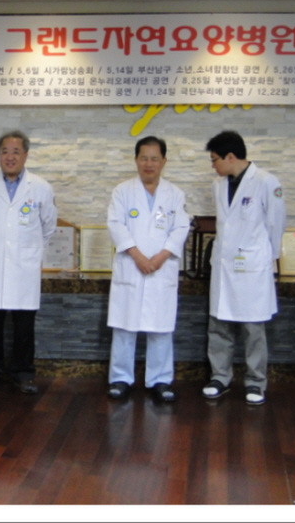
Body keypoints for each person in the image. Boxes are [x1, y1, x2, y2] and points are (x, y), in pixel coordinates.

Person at [201, 130, 286, 406]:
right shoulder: (218, 185)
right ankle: (220, 376)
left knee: (253, 328)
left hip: (252, 268)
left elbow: (276, 223)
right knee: (219, 325)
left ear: (230, 157)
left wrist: (267, 259)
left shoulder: (266, 182)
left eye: (214, 159)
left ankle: (255, 382)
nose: (213, 165)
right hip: (224, 266)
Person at [0, 130, 57, 394]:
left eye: (15, 152)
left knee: (24, 327)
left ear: (25, 155)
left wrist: (30, 248)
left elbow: (48, 226)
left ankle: (24, 374)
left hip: (24, 267)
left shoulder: (40, 187)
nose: (10, 157)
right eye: (4, 151)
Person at [105, 136, 190, 402]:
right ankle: (120, 378)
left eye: (154, 158)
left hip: (161, 268)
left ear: (163, 161)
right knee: (124, 326)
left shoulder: (175, 194)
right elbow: (116, 225)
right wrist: (138, 256)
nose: (149, 164)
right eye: (144, 158)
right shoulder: (122, 191)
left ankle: (160, 380)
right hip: (132, 265)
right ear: (136, 160)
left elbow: (181, 228)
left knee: (161, 327)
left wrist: (161, 257)